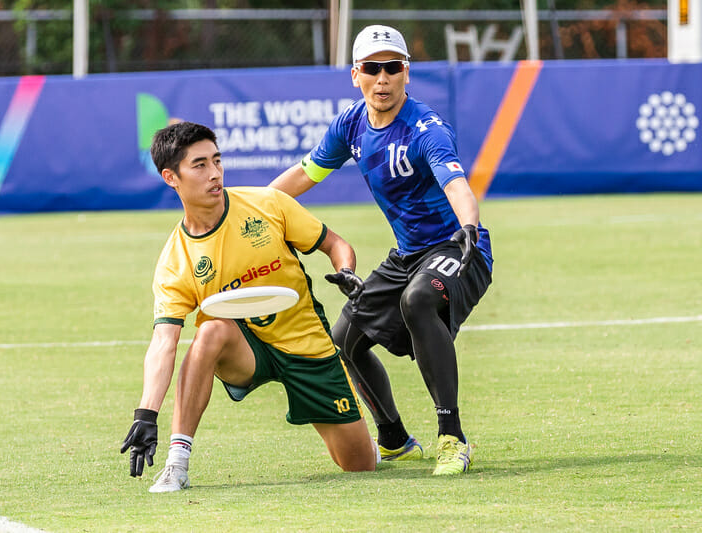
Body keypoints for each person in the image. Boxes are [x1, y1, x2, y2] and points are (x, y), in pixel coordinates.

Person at [269, 25, 493, 476]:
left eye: (392, 67)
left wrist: (469, 225)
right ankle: (393, 438)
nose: (383, 78)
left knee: (419, 299)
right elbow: (303, 175)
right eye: (372, 68)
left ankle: (452, 438)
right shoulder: (350, 124)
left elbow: (456, 183)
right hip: (409, 254)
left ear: (406, 73)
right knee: (343, 341)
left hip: (459, 246)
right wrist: (251, 210)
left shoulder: (425, 126)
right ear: (356, 75)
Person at [120, 121, 378, 493]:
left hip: (305, 343)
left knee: (359, 467)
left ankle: (376, 442)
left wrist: (347, 271)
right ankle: (178, 463)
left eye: (217, 161)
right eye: (200, 165)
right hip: (244, 350)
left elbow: (336, 244)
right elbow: (164, 342)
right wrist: (146, 413)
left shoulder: (267, 204)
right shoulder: (175, 261)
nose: (214, 174)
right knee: (210, 331)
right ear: (170, 177)